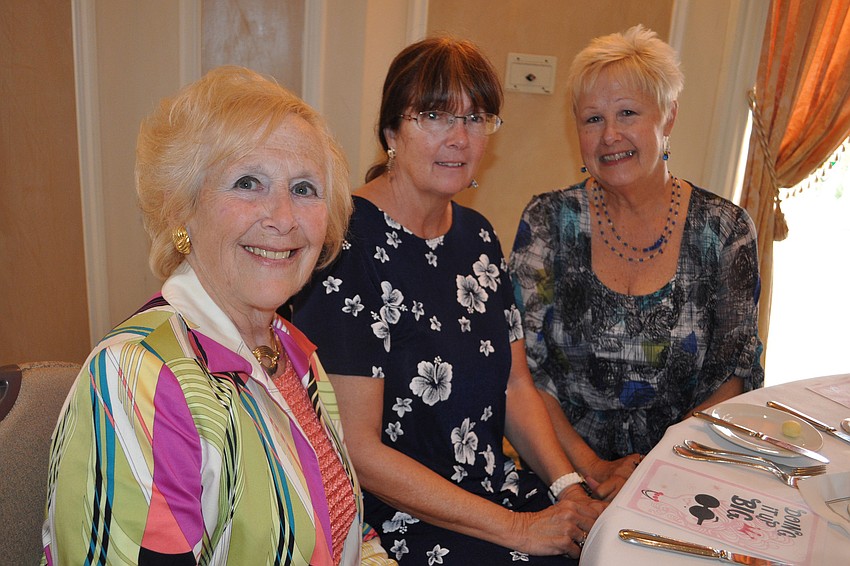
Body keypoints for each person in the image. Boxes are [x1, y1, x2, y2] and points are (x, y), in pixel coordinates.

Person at [41, 66, 393, 565]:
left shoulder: (292, 352)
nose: (283, 218)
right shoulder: (141, 376)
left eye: (304, 189)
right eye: (248, 183)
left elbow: (347, 535)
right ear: (180, 210)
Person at [291, 37, 605, 565]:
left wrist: (568, 488)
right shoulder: (346, 244)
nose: (459, 138)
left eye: (476, 118)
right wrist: (520, 529)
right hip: (396, 519)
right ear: (391, 131)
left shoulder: (477, 236)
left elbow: (516, 386)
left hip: (492, 491)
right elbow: (359, 452)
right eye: (434, 116)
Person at [509, 25, 764, 501]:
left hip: (686, 472)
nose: (610, 135)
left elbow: (735, 375)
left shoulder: (725, 230)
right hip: (560, 474)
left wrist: (656, 470)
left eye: (627, 113)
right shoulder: (548, 222)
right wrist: (590, 470)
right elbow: (524, 371)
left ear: (668, 117)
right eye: (592, 119)